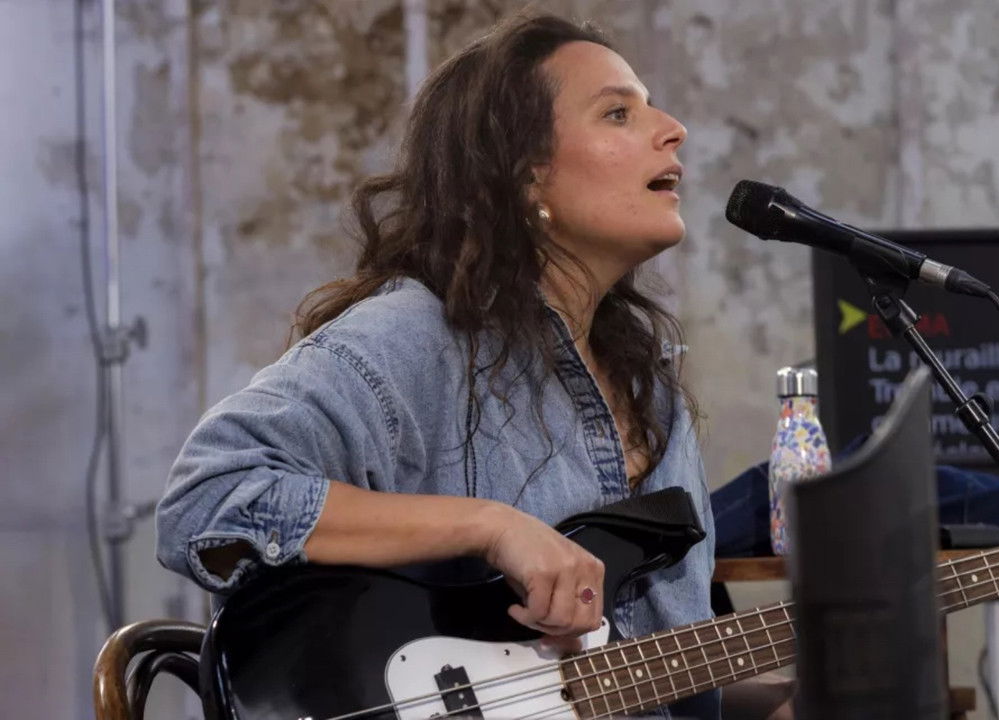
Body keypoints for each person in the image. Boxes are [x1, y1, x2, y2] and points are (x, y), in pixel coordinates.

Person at [156, 11, 792, 720]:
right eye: (618, 112)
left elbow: (647, 674)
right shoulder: (418, 338)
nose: (673, 128)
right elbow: (206, 501)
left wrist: (791, 699)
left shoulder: (655, 395)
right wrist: (491, 526)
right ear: (525, 177)